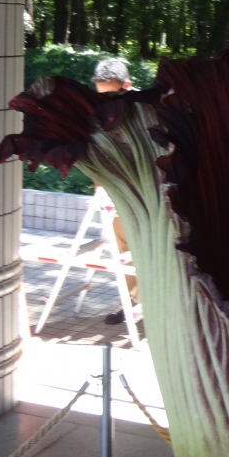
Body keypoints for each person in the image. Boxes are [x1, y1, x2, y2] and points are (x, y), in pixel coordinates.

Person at [92, 58, 140, 326]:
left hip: (149, 193)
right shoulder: (100, 113)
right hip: (118, 194)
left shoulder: (146, 110)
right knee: (123, 251)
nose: (106, 103)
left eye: (112, 94)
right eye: (102, 96)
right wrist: (98, 190)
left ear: (127, 86)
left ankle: (146, 301)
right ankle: (131, 300)